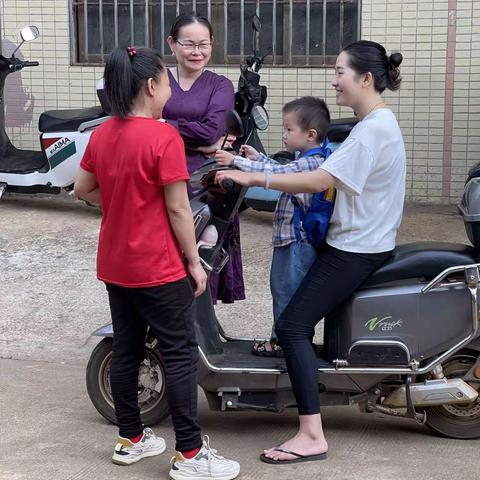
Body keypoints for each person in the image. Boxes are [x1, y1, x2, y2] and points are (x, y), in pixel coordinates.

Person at [216, 40, 405, 464]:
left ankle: (310, 434)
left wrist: (252, 179)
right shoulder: (373, 124)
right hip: (360, 241)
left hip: (355, 249)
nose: (334, 80)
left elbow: (317, 179)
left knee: (292, 328)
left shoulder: (372, 128)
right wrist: (255, 165)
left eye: (340, 72)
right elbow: (310, 169)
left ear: (365, 79)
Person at [74, 46, 240, 480]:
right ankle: (189, 455)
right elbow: (180, 210)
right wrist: (195, 262)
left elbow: (82, 188)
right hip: (157, 265)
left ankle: (131, 438)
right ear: (151, 86)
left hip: (116, 263)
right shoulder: (163, 137)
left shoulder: (103, 133)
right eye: (167, 81)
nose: (170, 88)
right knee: (180, 354)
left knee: (128, 348)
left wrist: (124, 203)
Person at [215, 96, 331, 356]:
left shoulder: (314, 162)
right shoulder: (305, 159)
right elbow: (283, 170)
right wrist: (258, 157)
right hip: (289, 241)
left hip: (297, 244)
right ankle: (284, 339)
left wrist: (237, 163)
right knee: (280, 290)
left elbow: (281, 175)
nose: (285, 135)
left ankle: (283, 343)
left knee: (287, 293)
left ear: (310, 134)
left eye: (290, 130)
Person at [163, 12, 245, 304]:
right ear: (172, 43)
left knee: (204, 251)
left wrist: (165, 127)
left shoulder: (220, 85)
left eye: (204, 44)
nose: (197, 52)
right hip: (162, 176)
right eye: (188, 44)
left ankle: (199, 325)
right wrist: (201, 142)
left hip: (205, 181)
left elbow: (214, 129)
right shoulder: (157, 78)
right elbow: (146, 123)